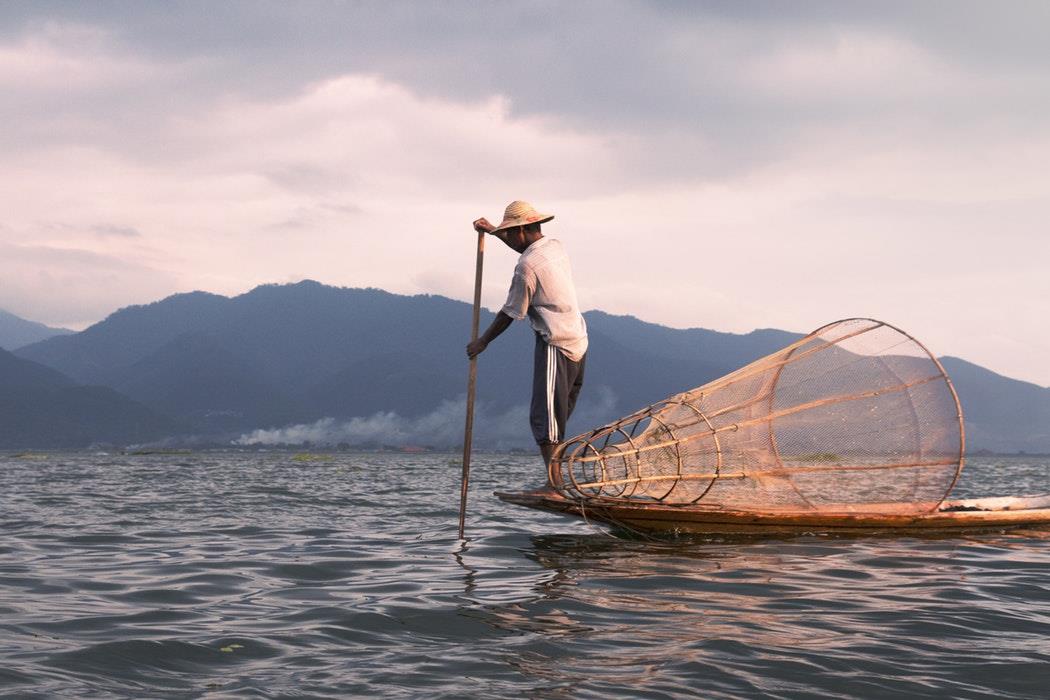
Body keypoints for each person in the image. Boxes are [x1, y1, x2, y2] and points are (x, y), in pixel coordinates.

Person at [467, 200, 588, 489]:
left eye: (510, 233)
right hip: (579, 341)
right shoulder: (555, 247)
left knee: (544, 418)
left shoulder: (526, 268)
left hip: (555, 343)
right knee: (556, 416)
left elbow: (511, 312)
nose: (508, 238)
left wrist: (482, 342)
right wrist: (495, 231)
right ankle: (557, 479)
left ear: (521, 231)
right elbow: (523, 245)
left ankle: (555, 484)